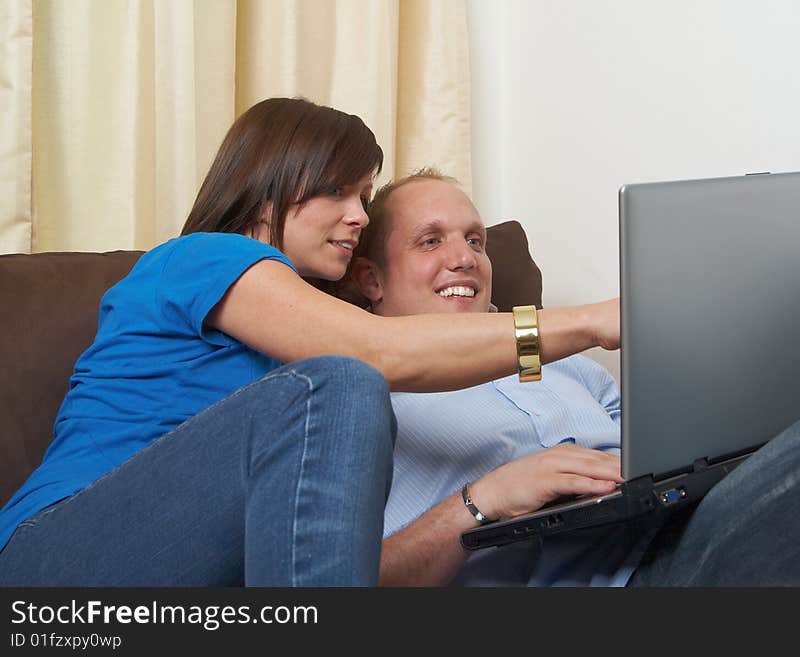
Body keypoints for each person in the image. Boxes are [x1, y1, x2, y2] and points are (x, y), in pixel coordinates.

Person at [0, 99, 622, 587]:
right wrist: (590, 324)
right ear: (271, 182)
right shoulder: (200, 258)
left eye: (366, 198)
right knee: (344, 380)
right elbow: (382, 353)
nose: (358, 216)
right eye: (339, 192)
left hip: (198, 576)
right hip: (56, 560)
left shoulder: (310, 330)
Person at [346, 168, 800, 586]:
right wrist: (481, 499)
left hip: (690, 523)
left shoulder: (566, 363)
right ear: (371, 279)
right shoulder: (363, 396)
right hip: (632, 579)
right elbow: (344, 588)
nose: (464, 258)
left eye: (475, 240)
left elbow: (658, 451)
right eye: (430, 242)